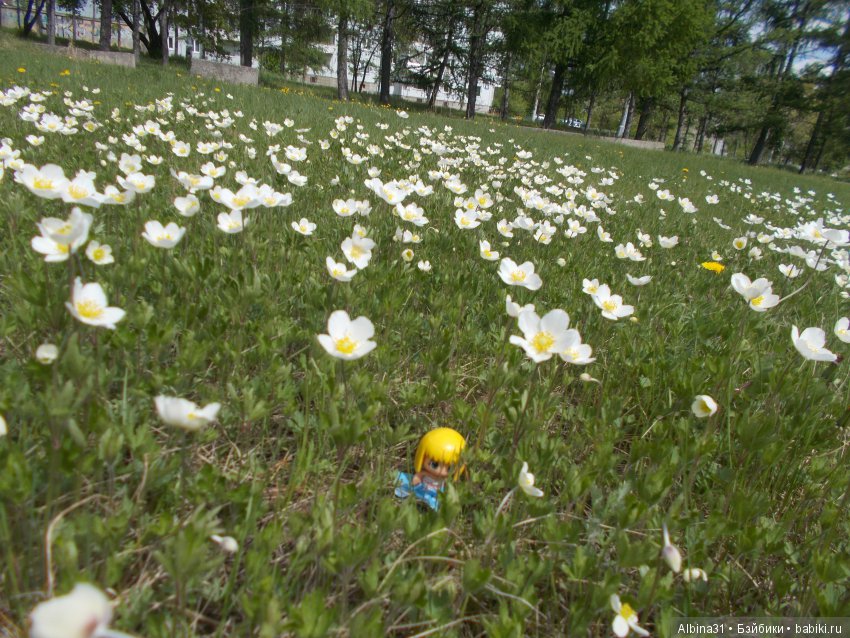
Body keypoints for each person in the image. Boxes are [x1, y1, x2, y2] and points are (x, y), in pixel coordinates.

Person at [394, 427, 466, 511]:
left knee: (432, 505)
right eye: (434, 464)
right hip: (420, 488)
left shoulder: (445, 480)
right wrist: (417, 479)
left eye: (449, 468)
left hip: (434, 495)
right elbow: (417, 478)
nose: (441, 471)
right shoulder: (425, 474)